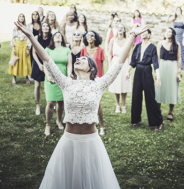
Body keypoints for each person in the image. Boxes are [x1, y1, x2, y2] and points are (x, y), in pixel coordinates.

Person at [14, 20, 148, 189]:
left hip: (92, 144)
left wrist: (132, 36)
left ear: (91, 69)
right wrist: (30, 37)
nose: (79, 59)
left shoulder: (98, 84)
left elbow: (119, 63)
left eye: (84, 59)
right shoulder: (66, 83)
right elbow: (46, 59)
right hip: (68, 143)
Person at [127, 29, 164, 130]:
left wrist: (158, 76)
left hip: (147, 71)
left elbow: (155, 63)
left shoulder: (152, 47)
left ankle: (158, 122)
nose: (142, 34)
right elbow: (133, 60)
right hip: (138, 71)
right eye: (141, 33)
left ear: (149, 35)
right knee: (136, 96)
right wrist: (128, 70)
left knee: (150, 97)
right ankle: (135, 120)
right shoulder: (138, 46)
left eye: (145, 32)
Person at [44, 32, 71, 135]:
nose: (58, 36)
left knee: (61, 102)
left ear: (62, 38)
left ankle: (59, 120)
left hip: (63, 78)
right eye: (56, 35)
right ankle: (48, 124)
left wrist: (68, 76)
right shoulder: (48, 50)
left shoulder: (67, 50)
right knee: (50, 103)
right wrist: (47, 76)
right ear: (53, 39)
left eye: (60, 35)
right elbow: (45, 65)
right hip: (51, 78)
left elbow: (69, 64)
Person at [81, 31, 106, 135]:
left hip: (96, 80)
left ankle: (101, 126)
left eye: (91, 35)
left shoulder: (100, 50)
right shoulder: (83, 50)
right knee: (85, 102)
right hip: (85, 79)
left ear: (95, 38)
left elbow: (102, 66)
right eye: (87, 36)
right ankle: (87, 124)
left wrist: (103, 79)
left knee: (97, 103)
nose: (89, 37)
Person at [155, 28, 181, 123]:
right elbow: (157, 58)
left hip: (173, 67)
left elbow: (179, 59)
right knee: (159, 88)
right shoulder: (160, 43)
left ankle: (170, 112)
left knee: (172, 89)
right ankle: (158, 110)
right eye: (166, 31)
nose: (167, 32)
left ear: (173, 34)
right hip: (162, 66)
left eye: (169, 31)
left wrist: (178, 72)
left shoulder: (177, 44)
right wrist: (156, 72)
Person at [108, 24, 132, 114]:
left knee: (124, 84)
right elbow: (110, 54)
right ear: (116, 30)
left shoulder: (127, 41)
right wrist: (110, 65)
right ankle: (117, 105)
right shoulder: (112, 40)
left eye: (122, 28)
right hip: (115, 61)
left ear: (124, 30)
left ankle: (123, 105)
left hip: (125, 63)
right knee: (116, 84)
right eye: (118, 28)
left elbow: (129, 55)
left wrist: (129, 68)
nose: (120, 29)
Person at [31, 22, 52, 115]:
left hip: (48, 63)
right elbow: (33, 53)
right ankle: (37, 105)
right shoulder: (36, 38)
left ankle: (51, 103)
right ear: (41, 28)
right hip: (38, 63)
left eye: (47, 26)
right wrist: (39, 64)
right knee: (37, 85)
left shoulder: (51, 38)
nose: (46, 27)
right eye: (44, 26)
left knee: (50, 84)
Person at [9, 13, 32, 85]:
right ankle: (14, 77)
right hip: (17, 46)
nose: (21, 18)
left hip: (24, 46)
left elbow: (28, 38)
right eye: (20, 16)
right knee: (16, 62)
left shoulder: (26, 27)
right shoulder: (15, 28)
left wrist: (28, 48)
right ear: (18, 18)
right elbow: (13, 38)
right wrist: (13, 48)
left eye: (23, 16)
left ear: (24, 18)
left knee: (26, 62)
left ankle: (27, 78)